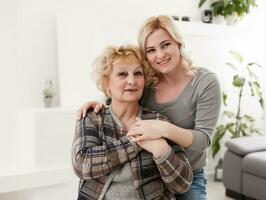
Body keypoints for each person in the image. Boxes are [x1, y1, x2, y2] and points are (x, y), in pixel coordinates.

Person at [77, 15, 221, 200]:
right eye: (151, 50)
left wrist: (163, 130)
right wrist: (98, 104)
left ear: (179, 43)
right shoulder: (145, 82)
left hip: (187, 172)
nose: (160, 55)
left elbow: (203, 140)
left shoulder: (205, 83)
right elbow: (118, 95)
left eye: (166, 44)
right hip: (152, 168)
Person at [72, 44, 193, 200]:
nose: (132, 81)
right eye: (122, 74)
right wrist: (133, 141)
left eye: (137, 73)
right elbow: (82, 164)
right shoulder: (93, 117)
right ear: (106, 83)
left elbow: (183, 184)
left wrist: (162, 151)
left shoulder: (157, 122)